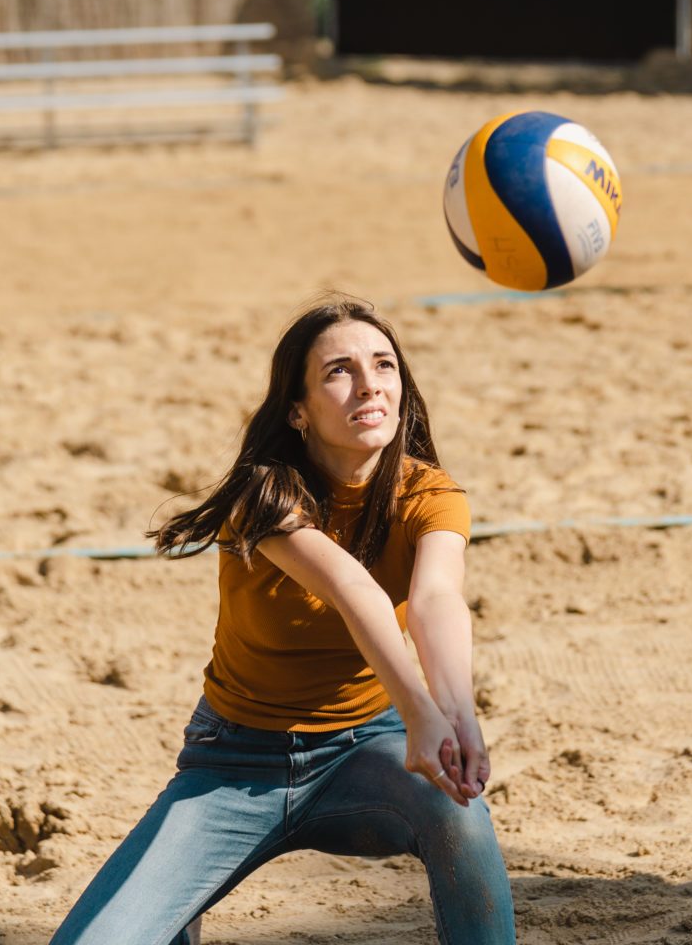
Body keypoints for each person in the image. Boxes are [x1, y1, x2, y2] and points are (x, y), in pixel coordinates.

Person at [48, 296, 516, 944]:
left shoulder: (429, 494)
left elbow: (437, 598)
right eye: (339, 371)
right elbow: (354, 590)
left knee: (459, 810)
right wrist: (421, 711)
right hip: (235, 763)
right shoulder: (261, 494)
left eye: (384, 365)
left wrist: (456, 713)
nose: (369, 382)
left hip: (365, 750)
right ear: (297, 411)